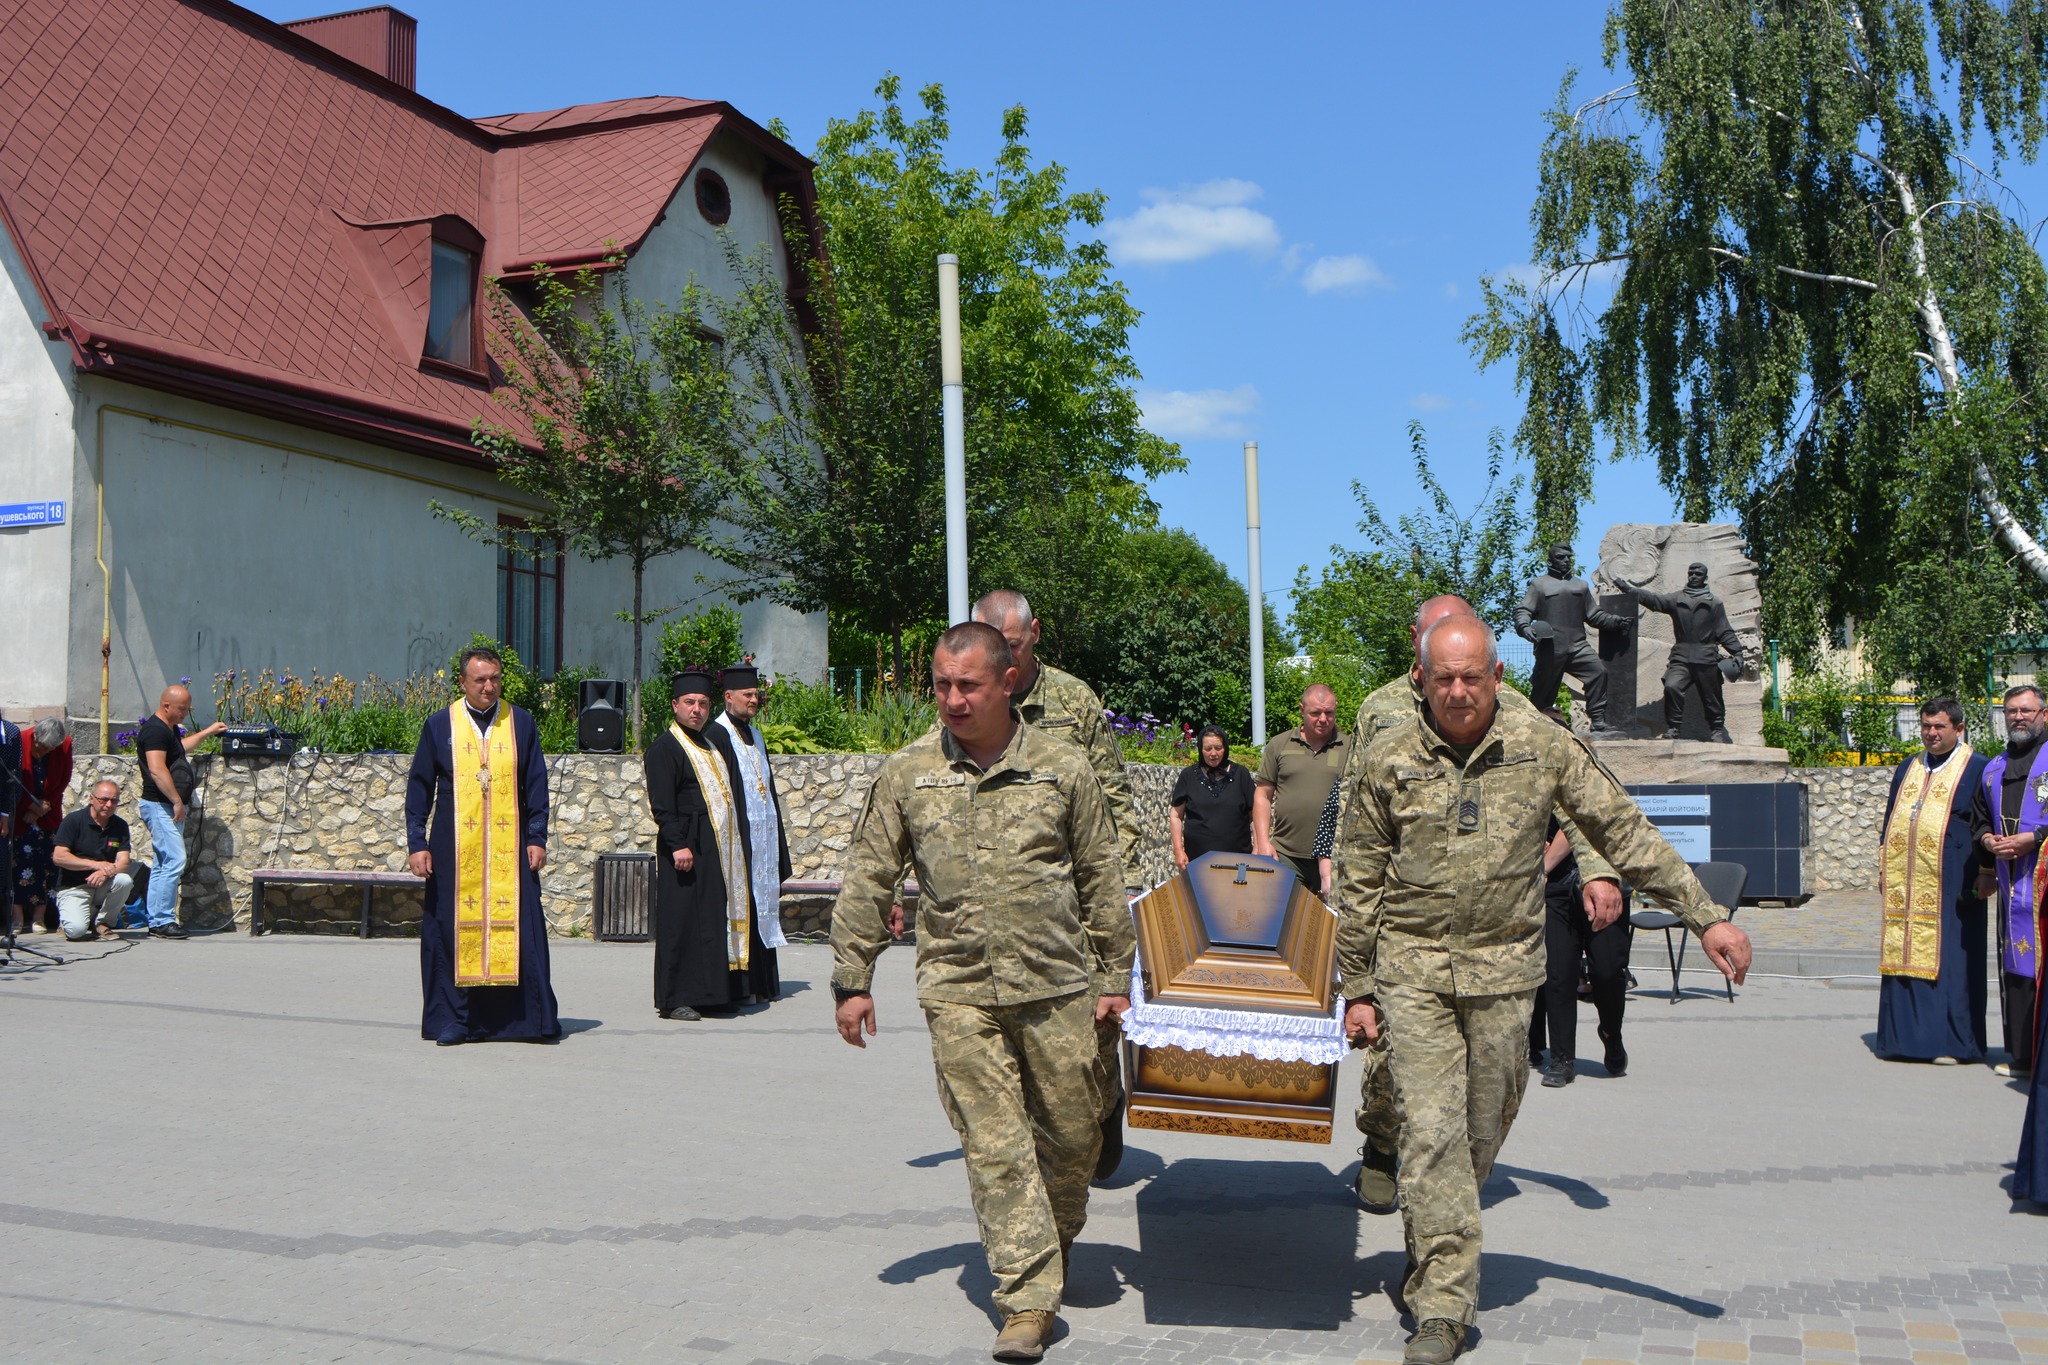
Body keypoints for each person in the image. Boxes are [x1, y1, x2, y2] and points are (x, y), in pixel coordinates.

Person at [1333, 614, 1751, 1364]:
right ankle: (1443, 1307)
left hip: (1504, 972)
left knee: (1478, 1138)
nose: (1458, 691)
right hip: (1414, 972)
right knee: (1430, 1135)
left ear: (1497, 677)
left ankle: (1431, 1245)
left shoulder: (1543, 745)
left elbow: (1622, 829)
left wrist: (1704, 916)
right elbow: (1360, 874)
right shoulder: (1388, 755)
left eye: (1472, 677)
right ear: (1421, 680)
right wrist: (1357, 985)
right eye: (1443, 678)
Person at [831, 623, 1131, 1362]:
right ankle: (1027, 1299)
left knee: (1071, 1139)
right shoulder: (910, 772)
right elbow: (870, 874)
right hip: (958, 988)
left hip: (1058, 985)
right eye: (941, 684)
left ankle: (1049, 1240)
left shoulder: (1062, 767)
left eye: (968, 685)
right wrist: (852, 978)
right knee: (995, 1147)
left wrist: (1117, 979)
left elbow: (1101, 875)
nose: (953, 699)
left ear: (1007, 682)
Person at [1315, 594, 1625, 1213]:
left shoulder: (1511, 712)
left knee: (1482, 1093)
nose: (1456, 676)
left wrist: (1596, 869)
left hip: (1490, 939)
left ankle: (1436, 1197)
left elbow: (1570, 796)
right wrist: (1337, 869)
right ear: (1419, 648)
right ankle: (1382, 1145)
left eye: (1467, 658)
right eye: (1438, 646)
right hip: (1403, 917)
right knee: (1390, 1059)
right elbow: (1353, 795)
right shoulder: (1379, 710)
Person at [971, 588, 1141, 1181]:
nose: (1000, 662)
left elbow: (1115, 796)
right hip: (1001, 908)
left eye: (1010, 647)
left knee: (1092, 1030)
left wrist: (1122, 890)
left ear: (1035, 634)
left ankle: (1104, 1105)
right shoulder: (969, 698)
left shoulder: (1074, 701)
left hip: (1076, 903)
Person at [403, 646, 559, 1045]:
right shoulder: (440, 725)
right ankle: (455, 1020)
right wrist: (417, 843)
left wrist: (537, 837)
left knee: (521, 928)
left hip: (511, 845)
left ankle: (527, 1021)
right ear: (463, 682)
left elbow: (536, 782)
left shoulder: (520, 722)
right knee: (450, 930)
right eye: (480, 680)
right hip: (454, 847)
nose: (489, 687)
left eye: (495, 679)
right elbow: (419, 787)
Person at [644, 669, 777, 1019]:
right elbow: (662, 804)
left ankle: (712, 994)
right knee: (682, 923)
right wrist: (676, 845)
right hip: (686, 849)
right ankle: (676, 999)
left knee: (709, 922)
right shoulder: (665, 747)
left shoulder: (709, 743)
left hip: (714, 851)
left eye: (703, 704)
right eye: (689, 703)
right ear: (675, 705)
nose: (697, 710)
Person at [1875, 698, 1990, 1065]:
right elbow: (1891, 816)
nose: (1931, 733)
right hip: (1904, 880)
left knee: (1952, 959)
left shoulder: (1978, 768)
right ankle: (1902, 1039)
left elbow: (1986, 823)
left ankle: (1952, 1043)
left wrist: (1987, 871)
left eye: (1939, 726)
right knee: (1903, 950)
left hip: (1955, 878)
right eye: (1925, 726)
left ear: (1959, 728)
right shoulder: (1909, 766)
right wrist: (1883, 865)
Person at [1971, 685, 2048, 1077]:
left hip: (2045, 888)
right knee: (2015, 968)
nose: (2019, 717)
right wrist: (1987, 841)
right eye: (2011, 711)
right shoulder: (1994, 767)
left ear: (2044, 714)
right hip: (2011, 884)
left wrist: (2033, 838)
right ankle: (2021, 1054)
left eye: (2027, 711)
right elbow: (1979, 817)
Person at [1527, 810, 1633, 1087]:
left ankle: (1611, 1033)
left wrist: (1544, 864)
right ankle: (1562, 1059)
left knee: (1608, 972)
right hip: (1556, 890)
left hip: (1603, 883)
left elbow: (1579, 818)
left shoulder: (1587, 777)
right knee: (1558, 975)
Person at [714, 661, 792, 999]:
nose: (754, 700)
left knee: (762, 904)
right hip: (739, 840)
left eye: (756, 694)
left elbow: (768, 791)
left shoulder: (755, 734)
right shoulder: (718, 734)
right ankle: (741, 986)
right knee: (740, 908)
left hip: (762, 839)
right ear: (729, 697)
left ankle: (763, 984)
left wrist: (780, 847)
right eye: (748, 695)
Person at [1616, 563, 1747, 743]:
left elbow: (1724, 630)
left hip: (1706, 656)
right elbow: (1655, 601)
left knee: (1712, 696)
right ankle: (1673, 728)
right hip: (1681, 657)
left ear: (1704, 577)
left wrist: (1737, 652)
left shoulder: (1714, 603)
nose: (1693, 576)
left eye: (1698, 574)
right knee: (1672, 686)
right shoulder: (1677, 599)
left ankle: (1716, 729)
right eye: (1691, 573)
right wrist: (1629, 590)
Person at [134, 684, 226, 939]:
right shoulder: (154, 730)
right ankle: (162, 921)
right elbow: (156, 768)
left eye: (187, 709)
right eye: (182, 709)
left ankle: (157, 920)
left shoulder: (167, 729)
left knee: (164, 864)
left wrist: (207, 732)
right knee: (175, 860)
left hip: (166, 805)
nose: (185, 713)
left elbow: (180, 749)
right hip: (160, 804)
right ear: (166, 706)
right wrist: (176, 800)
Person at [1512, 542, 1631, 733]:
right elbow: (1524, 610)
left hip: (1578, 646)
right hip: (1550, 648)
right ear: (1550, 560)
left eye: (1569, 557)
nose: (1566, 560)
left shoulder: (1581, 585)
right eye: (1561, 557)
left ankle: (1598, 720)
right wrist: (1524, 627)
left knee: (1598, 673)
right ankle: (1531, 724)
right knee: (1543, 690)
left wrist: (1616, 622)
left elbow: (1594, 615)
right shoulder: (1539, 585)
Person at [1253, 683, 1349, 891]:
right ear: (1302, 709)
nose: (1323, 719)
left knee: (1332, 922)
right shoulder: (1279, 745)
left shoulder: (1350, 747)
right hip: (1287, 855)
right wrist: (1262, 842)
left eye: (1329, 713)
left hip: (1335, 855)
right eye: (1315, 713)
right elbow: (1262, 796)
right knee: (1286, 919)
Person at [11, 718, 73, 934]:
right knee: (17, 863)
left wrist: (44, 805)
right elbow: (13, 780)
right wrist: (29, 807)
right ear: (35, 736)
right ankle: (17, 918)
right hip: (20, 814)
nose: (44, 752)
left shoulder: (64, 745)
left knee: (47, 864)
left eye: (49, 749)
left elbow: (64, 779)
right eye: (42, 747)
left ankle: (40, 918)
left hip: (47, 813)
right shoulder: (18, 740)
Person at [51, 779, 133, 941]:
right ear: (91, 798)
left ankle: (102, 923)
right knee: (76, 932)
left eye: (114, 801)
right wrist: (96, 865)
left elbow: (124, 863)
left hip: (103, 883)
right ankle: (69, 919)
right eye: (104, 799)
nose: (109, 805)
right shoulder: (73, 821)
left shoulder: (120, 825)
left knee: (124, 880)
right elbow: (59, 857)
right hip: (74, 886)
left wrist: (104, 872)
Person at [1169, 725, 1254, 867]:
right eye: (1208, 749)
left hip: (1239, 862)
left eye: (1218, 748)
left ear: (1225, 748)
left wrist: (1258, 846)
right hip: (1197, 861)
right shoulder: (1188, 776)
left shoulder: (1241, 775)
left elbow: (1255, 814)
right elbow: (1176, 816)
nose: (1213, 753)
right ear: (1201, 750)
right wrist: (1178, 851)